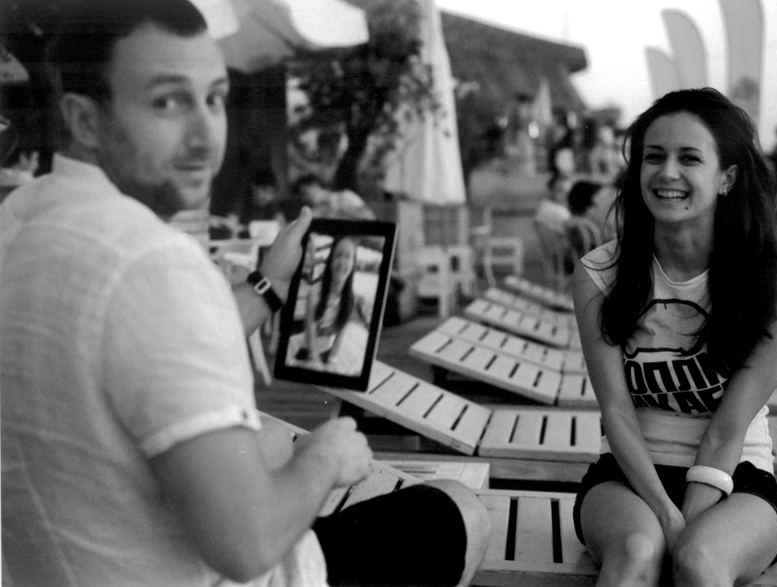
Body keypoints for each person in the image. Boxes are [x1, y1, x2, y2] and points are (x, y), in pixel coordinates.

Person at [0, 2, 490, 586]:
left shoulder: (19, 222)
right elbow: (248, 544)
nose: (204, 135)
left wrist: (269, 285)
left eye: (214, 99)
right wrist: (327, 456)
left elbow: (153, 347)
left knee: (276, 443)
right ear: (84, 119)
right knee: (462, 509)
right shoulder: (153, 263)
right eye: (167, 102)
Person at [571, 87, 777, 587]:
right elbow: (617, 415)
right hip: (627, 476)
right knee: (636, 552)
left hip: (736, 477)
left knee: (699, 561)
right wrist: (666, 518)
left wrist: (686, 529)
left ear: (726, 178)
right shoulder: (599, 276)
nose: (667, 172)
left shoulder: (774, 293)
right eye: (654, 157)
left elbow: (726, 432)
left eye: (689, 158)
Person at [295, 236, 370, 372]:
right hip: (308, 353)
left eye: (348, 257)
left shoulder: (351, 298)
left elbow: (340, 334)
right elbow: (310, 331)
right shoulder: (314, 292)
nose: (342, 262)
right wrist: (315, 359)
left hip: (327, 352)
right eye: (338, 255)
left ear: (353, 263)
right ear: (330, 261)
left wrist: (332, 360)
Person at [292, 173, 376, 221]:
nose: (305, 199)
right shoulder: (314, 212)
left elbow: (369, 218)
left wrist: (337, 210)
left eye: (305, 193)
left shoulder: (344, 196)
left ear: (315, 185)